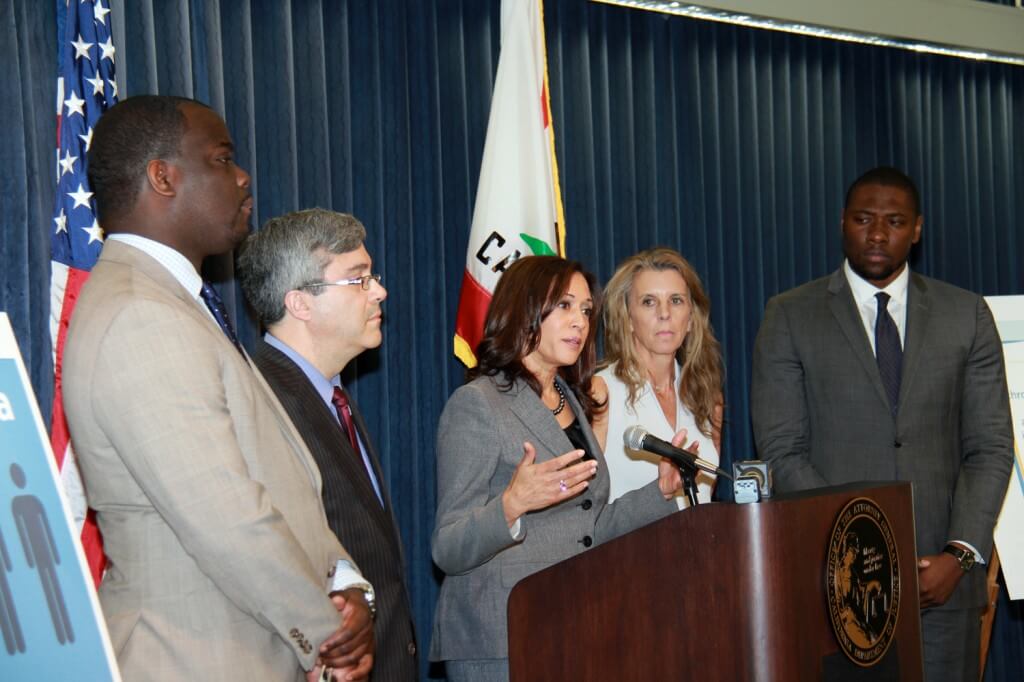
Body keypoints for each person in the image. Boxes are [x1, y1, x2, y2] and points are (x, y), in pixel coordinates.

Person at [61, 96, 374, 681]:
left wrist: (346, 584)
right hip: (196, 658)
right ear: (163, 176)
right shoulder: (139, 314)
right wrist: (330, 634)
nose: (243, 176)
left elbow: (280, 482)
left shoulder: (178, 302)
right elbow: (227, 519)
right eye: (223, 158)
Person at [751, 166, 1013, 681]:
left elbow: (990, 448)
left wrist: (959, 555)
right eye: (863, 219)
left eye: (893, 221)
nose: (876, 233)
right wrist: (859, 556)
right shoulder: (789, 315)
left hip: (942, 586)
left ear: (917, 229)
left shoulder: (968, 316)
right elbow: (783, 452)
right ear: (842, 223)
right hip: (835, 592)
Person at [430, 255, 680, 682]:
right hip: (500, 639)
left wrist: (660, 492)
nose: (580, 322)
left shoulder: (571, 399)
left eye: (585, 310)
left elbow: (588, 528)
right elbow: (447, 547)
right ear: (525, 310)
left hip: (571, 626)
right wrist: (511, 506)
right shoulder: (478, 404)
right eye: (564, 306)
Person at [238, 208, 418, 681]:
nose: (379, 291)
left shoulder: (333, 395)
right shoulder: (263, 400)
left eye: (372, 276)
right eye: (358, 280)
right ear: (300, 303)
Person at [595, 247, 724, 507]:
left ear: (690, 319)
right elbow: (585, 509)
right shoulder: (600, 392)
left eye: (676, 300)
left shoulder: (708, 398)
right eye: (649, 302)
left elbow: (704, 496)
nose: (664, 314)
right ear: (628, 319)